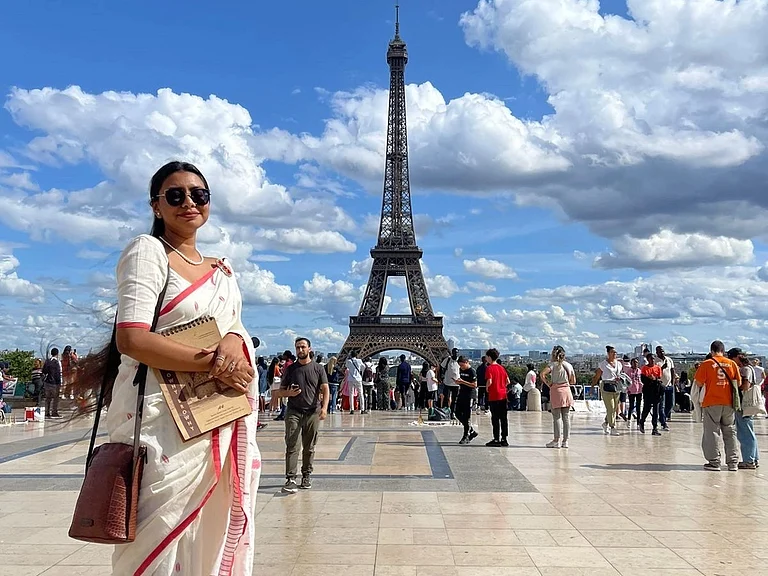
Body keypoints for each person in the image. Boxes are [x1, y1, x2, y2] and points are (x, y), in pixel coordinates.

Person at [73, 161, 262, 575]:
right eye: (175, 195)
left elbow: (234, 327)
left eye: (199, 194)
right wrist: (215, 363)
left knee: (204, 536)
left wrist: (232, 341)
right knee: (152, 542)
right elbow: (133, 339)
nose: (189, 202)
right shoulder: (148, 251)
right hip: (160, 423)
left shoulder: (222, 271)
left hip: (212, 418)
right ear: (156, 206)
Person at [274, 337, 329, 492]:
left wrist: (324, 408)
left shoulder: (318, 368)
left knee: (309, 446)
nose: (300, 350)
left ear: (309, 349)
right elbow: (279, 392)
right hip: (294, 411)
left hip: (312, 412)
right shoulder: (290, 369)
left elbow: (325, 389)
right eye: (297, 347)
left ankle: (306, 475)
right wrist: (289, 393)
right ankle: (291, 478)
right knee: (292, 445)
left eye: (303, 347)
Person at [694, 340, 740, 472]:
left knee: (712, 432)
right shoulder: (732, 364)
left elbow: (698, 382)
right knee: (730, 432)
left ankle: (714, 462)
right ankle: (733, 462)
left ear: (712, 351)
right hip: (729, 403)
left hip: (711, 402)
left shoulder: (707, 364)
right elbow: (738, 382)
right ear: (723, 351)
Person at [728, 348, 760, 469]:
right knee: (749, 432)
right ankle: (753, 458)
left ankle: (748, 460)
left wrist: (736, 387)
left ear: (737, 357)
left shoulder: (745, 369)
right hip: (748, 405)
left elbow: (745, 386)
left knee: (744, 433)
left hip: (744, 405)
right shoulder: (750, 367)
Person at [540, 345, 576, 449]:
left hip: (556, 390)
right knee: (566, 417)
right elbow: (573, 381)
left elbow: (542, 374)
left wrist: (548, 383)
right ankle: (565, 441)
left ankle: (556, 440)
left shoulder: (553, 365)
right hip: (567, 390)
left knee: (556, 417)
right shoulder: (569, 365)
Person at [593, 345, 623, 436]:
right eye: (612, 352)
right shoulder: (603, 364)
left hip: (616, 387)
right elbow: (597, 375)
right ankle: (612, 426)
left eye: (615, 352)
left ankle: (606, 422)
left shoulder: (619, 364)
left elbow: (620, 374)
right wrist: (592, 386)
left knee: (614, 408)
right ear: (608, 353)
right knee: (610, 407)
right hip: (606, 386)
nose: (614, 354)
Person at [485, 348, 510, 447]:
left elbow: (490, 381)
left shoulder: (489, 368)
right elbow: (507, 381)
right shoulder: (501, 368)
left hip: (494, 396)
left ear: (490, 357)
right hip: (503, 395)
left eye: (487, 357)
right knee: (503, 418)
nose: (486, 358)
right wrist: (502, 387)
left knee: (495, 418)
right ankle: (504, 438)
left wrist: (487, 388)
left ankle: (496, 439)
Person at [455, 357, 479, 444]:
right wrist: (459, 382)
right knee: (457, 413)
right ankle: (471, 430)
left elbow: (474, 385)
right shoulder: (461, 370)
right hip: (462, 393)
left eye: (462, 365)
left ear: (466, 362)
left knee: (466, 416)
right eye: (460, 365)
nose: (461, 367)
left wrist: (463, 382)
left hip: (469, 395)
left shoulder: (471, 371)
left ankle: (466, 435)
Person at [639, 353, 664, 435]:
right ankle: (642, 421)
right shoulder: (644, 368)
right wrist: (651, 379)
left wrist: (654, 379)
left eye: (653, 358)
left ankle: (655, 428)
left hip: (656, 391)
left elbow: (659, 379)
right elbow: (643, 380)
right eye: (651, 359)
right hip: (648, 391)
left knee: (656, 410)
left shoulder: (658, 368)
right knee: (647, 408)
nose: (652, 360)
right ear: (648, 359)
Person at [656, 345, 675, 427]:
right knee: (661, 405)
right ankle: (663, 423)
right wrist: (662, 368)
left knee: (671, 404)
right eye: (660, 351)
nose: (662, 353)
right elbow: (656, 373)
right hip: (661, 386)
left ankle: (662, 417)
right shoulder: (656, 361)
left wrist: (673, 383)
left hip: (669, 385)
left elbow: (672, 371)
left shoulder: (669, 360)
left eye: (663, 351)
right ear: (657, 352)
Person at [42, 347, 62, 419]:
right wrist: (60, 383)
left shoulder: (47, 361)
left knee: (48, 398)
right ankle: (54, 412)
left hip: (47, 382)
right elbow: (59, 373)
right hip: (55, 383)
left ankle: (47, 412)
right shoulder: (58, 362)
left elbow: (44, 371)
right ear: (57, 354)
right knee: (56, 398)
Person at [440, 348, 460, 417]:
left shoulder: (459, 361)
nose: (456, 354)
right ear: (452, 353)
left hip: (456, 383)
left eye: (457, 353)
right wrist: (441, 377)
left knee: (455, 399)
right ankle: (446, 412)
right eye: (454, 352)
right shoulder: (448, 360)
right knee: (447, 398)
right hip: (447, 382)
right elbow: (441, 367)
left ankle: (452, 412)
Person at [626, 357, 643, 422]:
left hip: (639, 390)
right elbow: (626, 382)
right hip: (631, 390)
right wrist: (628, 390)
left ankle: (638, 421)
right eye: (634, 362)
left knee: (638, 406)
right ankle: (629, 419)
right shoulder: (629, 371)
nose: (635, 364)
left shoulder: (639, 371)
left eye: (636, 362)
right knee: (631, 405)